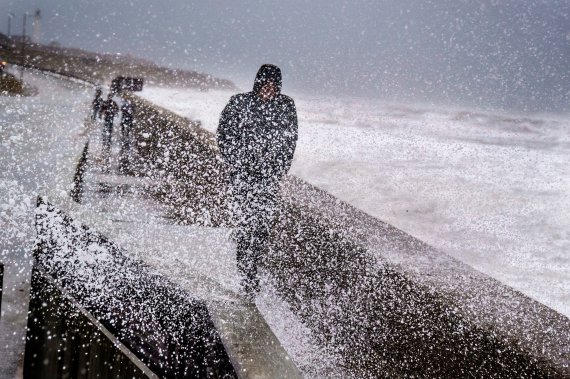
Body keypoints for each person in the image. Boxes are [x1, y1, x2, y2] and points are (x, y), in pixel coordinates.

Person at [216, 64, 298, 299]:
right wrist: (237, 163)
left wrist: (279, 170)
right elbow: (224, 135)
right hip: (242, 177)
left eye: (273, 86)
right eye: (265, 85)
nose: (268, 90)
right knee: (245, 226)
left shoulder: (286, 105)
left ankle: (253, 269)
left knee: (262, 227)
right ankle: (246, 276)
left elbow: (290, 141)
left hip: (269, 179)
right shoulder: (239, 102)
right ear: (257, 83)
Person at [101, 93, 119, 169]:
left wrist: (113, 112)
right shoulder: (108, 103)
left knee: (108, 127)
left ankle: (107, 137)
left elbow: (117, 109)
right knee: (106, 127)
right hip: (108, 117)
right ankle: (106, 137)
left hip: (110, 117)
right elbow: (102, 109)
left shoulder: (112, 103)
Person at [119, 99, 134, 172]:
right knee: (125, 131)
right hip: (126, 121)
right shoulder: (128, 109)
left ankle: (125, 137)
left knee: (125, 131)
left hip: (126, 121)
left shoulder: (126, 109)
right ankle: (125, 137)